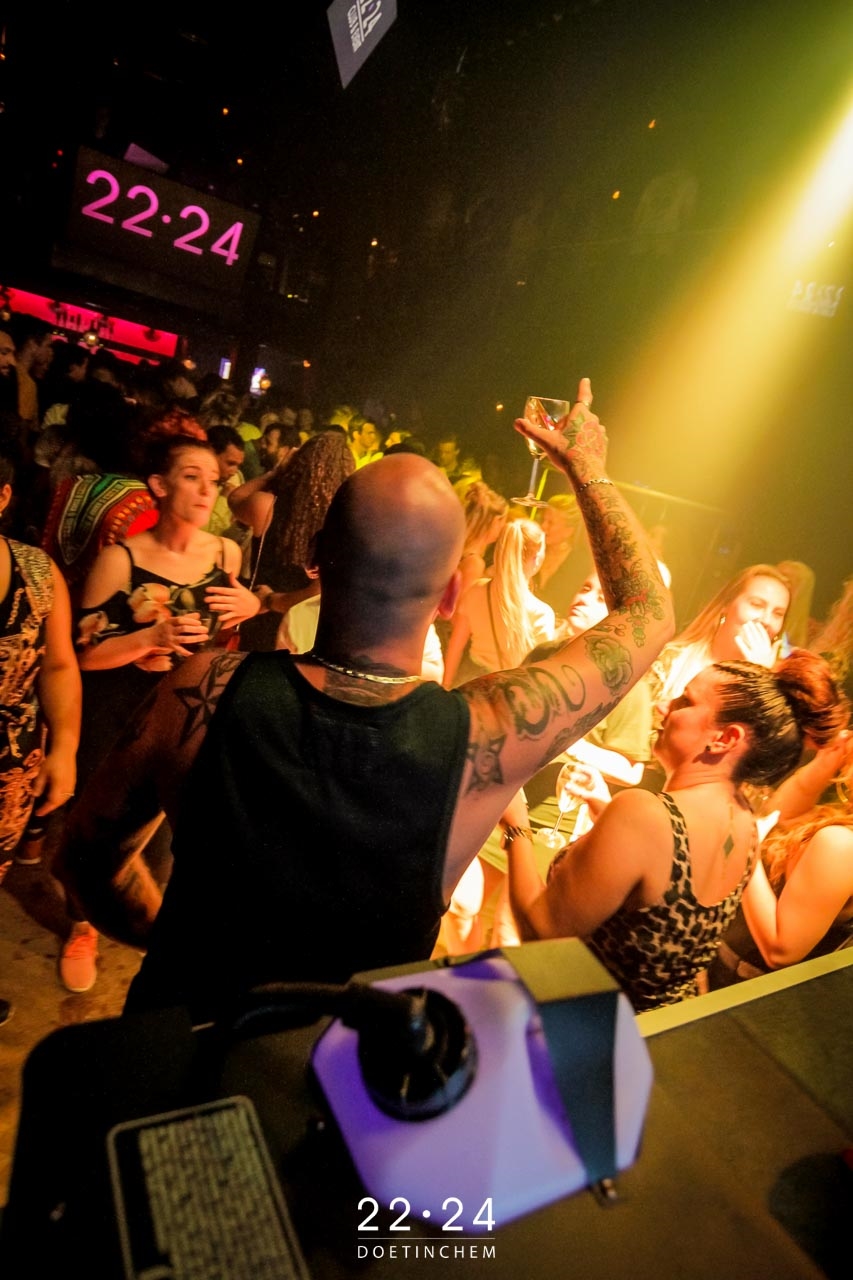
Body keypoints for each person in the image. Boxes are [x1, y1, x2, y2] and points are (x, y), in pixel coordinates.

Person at [55, 376, 674, 1023]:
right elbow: (648, 613)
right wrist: (586, 468)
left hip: (183, 1038)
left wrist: (174, 939)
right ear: (448, 596)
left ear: (316, 559)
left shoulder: (203, 688)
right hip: (341, 1063)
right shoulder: (486, 734)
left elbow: (84, 858)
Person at [505, 650, 845, 1012]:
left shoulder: (643, 814)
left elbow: (540, 933)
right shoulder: (744, 822)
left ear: (726, 738)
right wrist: (607, 810)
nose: (663, 705)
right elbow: (667, 885)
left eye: (685, 700)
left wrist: (515, 825)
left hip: (568, 1019)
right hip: (636, 1032)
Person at [58, 432, 259, 992]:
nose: (207, 490)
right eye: (192, 477)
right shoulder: (121, 559)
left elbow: (230, 632)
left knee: (170, 829)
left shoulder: (227, 555)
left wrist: (253, 603)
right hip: (121, 712)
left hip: (189, 714)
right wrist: (149, 637)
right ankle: (82, 925)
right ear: (159, 486)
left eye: (213, 480)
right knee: (101, 826)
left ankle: (152, 927)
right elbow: (83, 655)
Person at [708, 731, 853, 985]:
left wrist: (747, 848)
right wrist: (825, 762)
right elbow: (780, 815)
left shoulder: (841, 845)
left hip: (739, 985)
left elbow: (780, 952)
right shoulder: (841, 823)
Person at [0, 442, 81, 879]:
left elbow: (58, 666)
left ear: (3, 497)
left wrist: (65, 747)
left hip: (10, 772)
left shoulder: (36, 572)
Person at [648, 563, 791, 712]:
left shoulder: (778, 693)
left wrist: (759, 678)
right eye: (756, 604)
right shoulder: (671, 661)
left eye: (778, 614)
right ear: (727, 605)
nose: (766, 620)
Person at [442, 517, 555, 687]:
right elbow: (539, 674)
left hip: (469, 680)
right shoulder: (541, 613)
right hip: (507, 689)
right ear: (537, 558)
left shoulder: (475, 591)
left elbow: (456, 645)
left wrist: (446, 686)